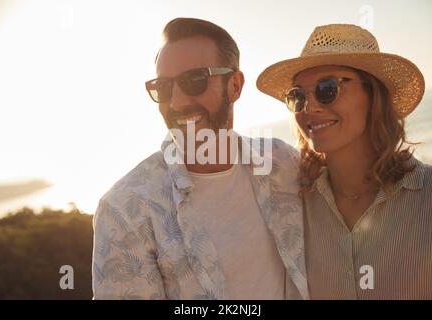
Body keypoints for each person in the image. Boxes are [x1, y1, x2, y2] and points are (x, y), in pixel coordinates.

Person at [92, 17, 308, 300]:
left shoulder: (282, 162)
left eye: (195, 81)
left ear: (235, 85)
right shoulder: (124, 209)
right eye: (164, 87)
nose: (178, 102)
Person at [257, 23, 432, 299]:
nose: (309, 108)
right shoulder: (292, 208)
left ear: (373, 95)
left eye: (327, 88)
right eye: (297, 96)